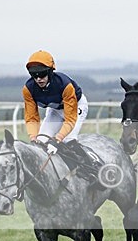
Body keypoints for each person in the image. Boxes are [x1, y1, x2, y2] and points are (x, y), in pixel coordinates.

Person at [23, 50, 102, 184]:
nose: (38, 79)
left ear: (50, 72)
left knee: (67, 140)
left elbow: (70, 119)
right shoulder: (28, 89)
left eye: (42, 74)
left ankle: (92, 168)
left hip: (76, 107)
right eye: (34, 75)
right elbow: (31, 118)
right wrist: (33, 137)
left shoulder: (65, 85)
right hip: (55, 110)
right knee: (41, 142)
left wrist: (57, 139)